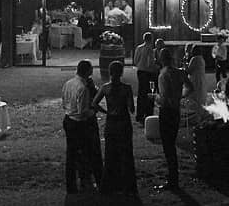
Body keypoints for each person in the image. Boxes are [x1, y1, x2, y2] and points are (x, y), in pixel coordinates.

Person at [92, 60, 137, 195]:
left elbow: (94, 103)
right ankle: (127, 185)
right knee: (126, 153)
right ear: (121, 72)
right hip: (123, 122)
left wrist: (106, 111)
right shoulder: (126, 88)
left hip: (111, 121)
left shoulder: (105, 88)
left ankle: (110, 184)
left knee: (110, 153)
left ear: (110, 72)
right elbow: (131, 109)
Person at [61, 60, 99, 193]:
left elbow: (64, 103)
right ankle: (85, 180)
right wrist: (93, 111)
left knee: (71, 154)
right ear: (88, 72)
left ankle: (71, 185)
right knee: (84, 153)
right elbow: (83, 112)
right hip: (79, 124)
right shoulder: (83, 88)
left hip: (68, 119)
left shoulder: (68, 83)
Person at [154, 47, 187, 190]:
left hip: (167, 112)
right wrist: (181, 96)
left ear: (161, 59)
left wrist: (155, 98)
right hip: (176, 110)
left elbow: (164, 98)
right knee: (171, 143)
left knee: (168, 146)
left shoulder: (163, 75)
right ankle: (174, 177)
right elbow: (190, 87)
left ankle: (173, 180)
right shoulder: (179, 72)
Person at [132, 32, 157, 124]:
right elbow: (150, 62)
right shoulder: (150, 49)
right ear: (151, 39)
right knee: (150, 92)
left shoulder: (139, 48)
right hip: (149, 73)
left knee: (141, 93)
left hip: (141, 71)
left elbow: (135, 60)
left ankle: (139, 114)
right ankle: (148, 113)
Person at [182, 44, 208, 123]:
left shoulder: (194, 59)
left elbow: (189, 71)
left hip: (195, 80)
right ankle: (200, 115)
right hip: (201, 80)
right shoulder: (201, 59)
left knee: (194, 98)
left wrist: (184, 63)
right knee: (200, 97)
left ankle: (195, 117)